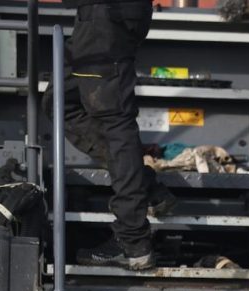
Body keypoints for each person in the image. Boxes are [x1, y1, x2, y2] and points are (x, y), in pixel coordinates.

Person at [53, 0, 176, 270]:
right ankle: (146, 187)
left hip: (105, 16)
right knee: (60, 100)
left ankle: (132, 241)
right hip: (99, 17)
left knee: (116, 122)